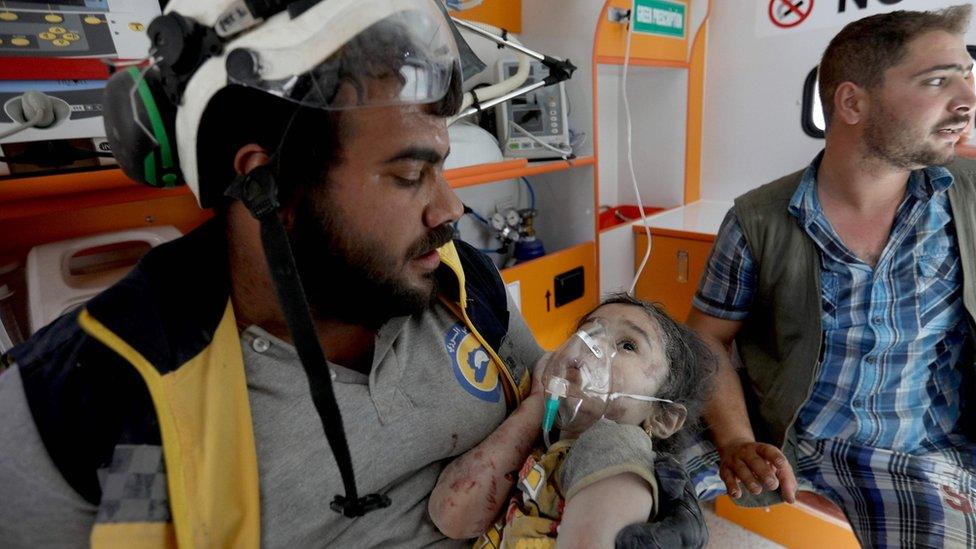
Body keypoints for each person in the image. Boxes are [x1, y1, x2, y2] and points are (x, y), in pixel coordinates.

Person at [0, 1, 697, 547]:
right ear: (269, 185)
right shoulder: (100, 401)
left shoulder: (458, 281)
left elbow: (559, 393)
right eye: (410, 173)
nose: (450, 208)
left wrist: (655, 473)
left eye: (442, 165)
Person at [683, 5, 976, 547]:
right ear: (851, 102)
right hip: (778, 431)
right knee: (617, 470)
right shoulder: (758, 218)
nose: (967, 101)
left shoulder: (969, 197)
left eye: (967, 75)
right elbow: (706, 336)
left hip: (914, 450)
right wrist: (737, 440)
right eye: (938, 81)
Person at [428, 294, 715, 548]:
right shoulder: (547, 442)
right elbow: (451, 516)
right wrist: (539, 401)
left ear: (664, 416)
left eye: (627, 345)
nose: (590, 346)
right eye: (588, 331)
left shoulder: (614, 442)